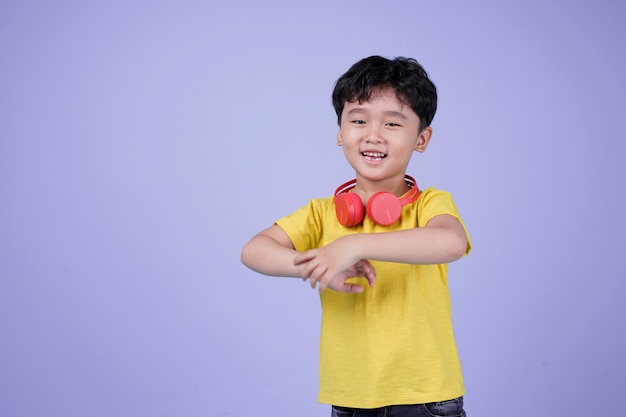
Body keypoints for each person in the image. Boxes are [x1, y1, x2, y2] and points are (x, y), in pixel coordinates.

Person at [241, 55, 471, 417]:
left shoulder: (430, 204)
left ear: (421, 139)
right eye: (359, 120)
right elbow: (254, 250)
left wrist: (354, 244)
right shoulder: (321, 212)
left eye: (393, 123)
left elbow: (451, 242)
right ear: (340, 132)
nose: (373, 135)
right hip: (351, 399)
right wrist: (317, 267)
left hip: (425, 397)